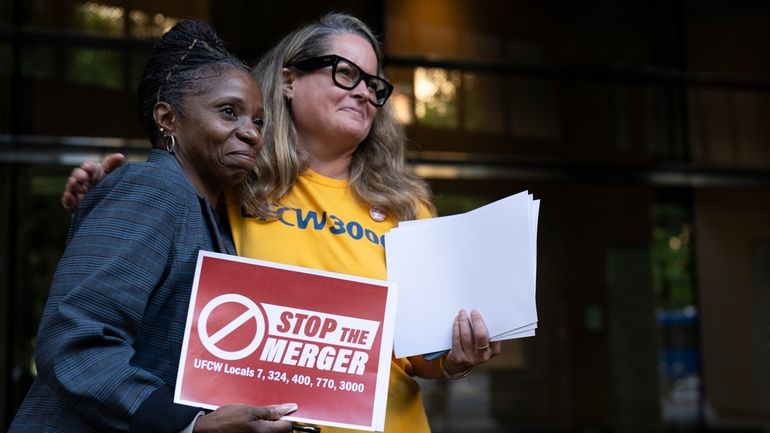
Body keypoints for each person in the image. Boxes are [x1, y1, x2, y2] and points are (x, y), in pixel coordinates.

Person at [61, 13, 501, 433]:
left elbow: (421, 353)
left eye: (374, 84)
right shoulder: (231, 179)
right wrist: (99, 199)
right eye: (346, 73)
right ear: (289, 80)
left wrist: (455, 355)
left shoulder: (408, 207)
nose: (365, 92)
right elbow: (150, 264)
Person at [12, 19, 295, 433]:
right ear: (168, 118)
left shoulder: (210, 215)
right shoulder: (153, 188)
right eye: (229, 112)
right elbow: (76, 341)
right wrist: (191, 424)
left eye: (258, 121)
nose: (251, 133)